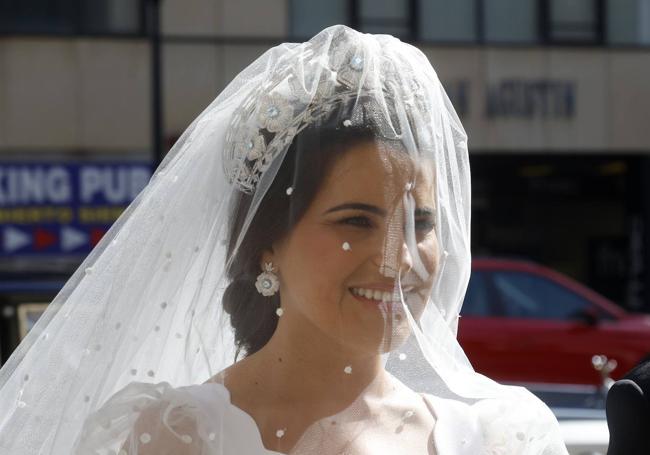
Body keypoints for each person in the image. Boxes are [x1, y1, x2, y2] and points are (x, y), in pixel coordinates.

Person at [0, 25, 568, 454]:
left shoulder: (498, 436)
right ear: (268, 242)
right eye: (355, 221)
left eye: (420, 224)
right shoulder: (178, 437)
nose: (400, 260)